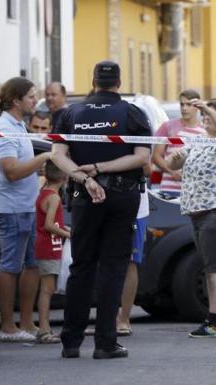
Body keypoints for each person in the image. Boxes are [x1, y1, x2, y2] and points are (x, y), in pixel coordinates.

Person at [52, 60, 151, 359]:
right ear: (118, 83)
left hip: (84, 195)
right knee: (113, 267)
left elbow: (57, 155)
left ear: (93, 82)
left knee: (81, 267)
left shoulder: (71, 113)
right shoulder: (133, 112)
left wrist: (85, 176)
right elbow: (142, 156)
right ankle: (106, 342)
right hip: (122, 196)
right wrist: (101, 169)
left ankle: (70, 342)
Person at [167, 99, 216, 338]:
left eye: (212, 114)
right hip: (198, 213)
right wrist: (176, 159)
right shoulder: (198, 140)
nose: (206, 117)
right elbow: (171, 163)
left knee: (214, 269)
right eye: (205, 114)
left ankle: (214, 322)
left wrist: (207, 107)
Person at [0, 77, 51, 343]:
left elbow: (22, 167)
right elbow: (11, 171)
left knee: (32, 266)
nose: (35, 100)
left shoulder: (18, 126)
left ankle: (26, 323)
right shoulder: (5, 128)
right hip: (12, 209)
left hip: (28, 206)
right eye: (31, 96)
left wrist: (35, 166)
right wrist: (43, 157)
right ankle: (8, 327)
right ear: (16, 100)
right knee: (10, 266)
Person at [35, 160, 70, 344]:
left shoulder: (44, 193)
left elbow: (53, 222)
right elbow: (49, 225)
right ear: (64, 176)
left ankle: (44, 327)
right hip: (49, 245)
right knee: (47, 290)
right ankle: (44, 329)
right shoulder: (54, 197)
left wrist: (67, 230)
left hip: (48, 244)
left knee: (46, 288)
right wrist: (67, 234)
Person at [116, 164, 150, 337]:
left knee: (129, 262)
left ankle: (124, 319)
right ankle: (109, 318)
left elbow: (148, 168)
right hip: (103, 204)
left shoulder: (137, 136)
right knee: (104, 261)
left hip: (134, 208)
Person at [153, 90, 206, 197]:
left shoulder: (204, 130)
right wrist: (172, 172)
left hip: (195, 191)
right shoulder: (168, 126)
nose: (184, 108)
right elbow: (156, 156)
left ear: (197, 107)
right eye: (182, 104)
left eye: (188, 105)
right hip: (169, 189)